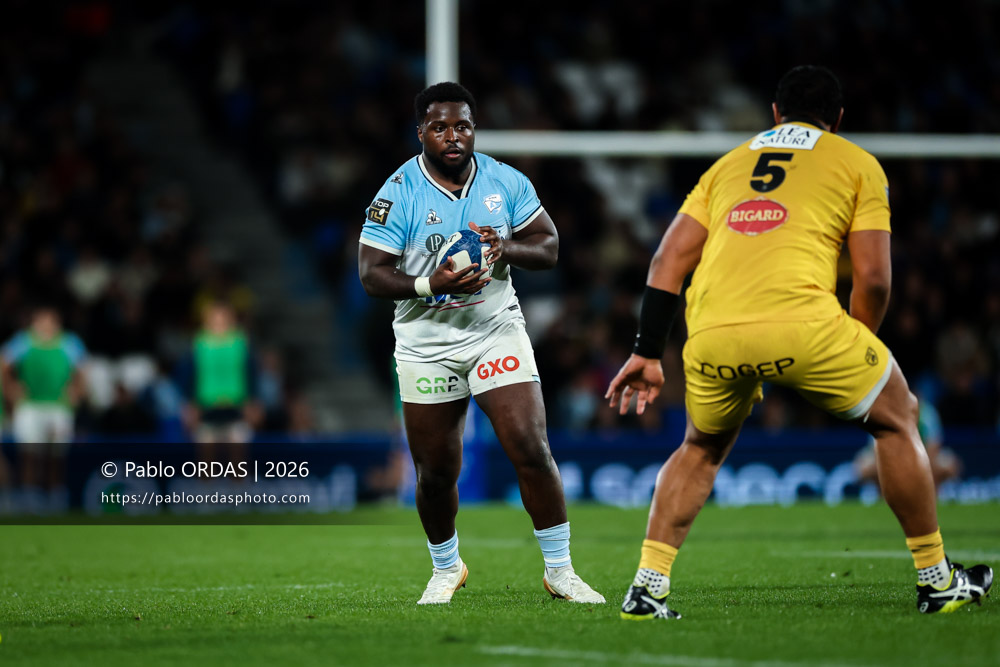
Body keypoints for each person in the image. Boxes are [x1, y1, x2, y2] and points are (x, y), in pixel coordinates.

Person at [606, 66, 993, 620]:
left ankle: (647, 589)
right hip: (805, 323)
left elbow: (668, 260)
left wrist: (646, 350)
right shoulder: (856, 162)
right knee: (896, 416)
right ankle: (936, 580)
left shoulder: (727, 165)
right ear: (837, 120)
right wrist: (857, 339)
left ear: (773, 114)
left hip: (712, 331)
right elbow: (875, 278)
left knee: (700, 448)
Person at [358, 82, 604, 605]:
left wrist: (505, 246)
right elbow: (371, 274)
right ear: (421, 132)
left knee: (529, 445)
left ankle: (560, 570)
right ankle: (447, 567)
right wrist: (432, 285)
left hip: (495, 329)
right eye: (441, 127)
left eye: (463, 125)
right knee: (436, 470)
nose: (453, 136)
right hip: (426, 340)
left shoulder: (505, 181)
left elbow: (550, 246)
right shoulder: (398, 192)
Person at [1, 306, 87, 511]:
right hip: (30, 405)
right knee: (30, 453)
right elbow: (3, 364)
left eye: (50, 320)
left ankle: (55, 496)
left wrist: (77, 391)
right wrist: (11, 389)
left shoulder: (69, 342)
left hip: (59, 406)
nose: (45, 325)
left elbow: (83, 369)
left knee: (56, 455)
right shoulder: (23, 341)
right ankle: (30, 496)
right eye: (41, 320)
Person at [178, 301, 263, 467]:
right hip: (206, 408)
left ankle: (239, 493)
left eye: (223, 318)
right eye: (215, 318)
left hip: (236, 407)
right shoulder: (198, 344)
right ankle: (206, 493)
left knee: (238, 456)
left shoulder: (241, 342)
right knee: (206, 458)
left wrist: (253, 402)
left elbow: (251, 373)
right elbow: (189, 375)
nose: (219, 322)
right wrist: (190, 404)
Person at [854, 396, 961, 491]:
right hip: (892, 462)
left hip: (922, 460)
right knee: (865, 466)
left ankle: (933, 499)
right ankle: (884, 500)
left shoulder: (927, 413)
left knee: (950, 464)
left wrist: (914, 466)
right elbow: (877, 449)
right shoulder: (885, 411)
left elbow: (933, 448)